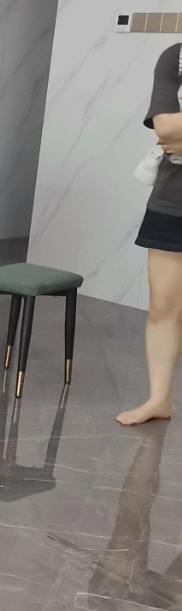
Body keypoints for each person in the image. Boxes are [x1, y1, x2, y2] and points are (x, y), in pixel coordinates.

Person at [117, 41, 182, 426]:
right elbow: (166, 129)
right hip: (172, 201)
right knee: (162, 306)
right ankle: (159, 400)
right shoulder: (176, 57)